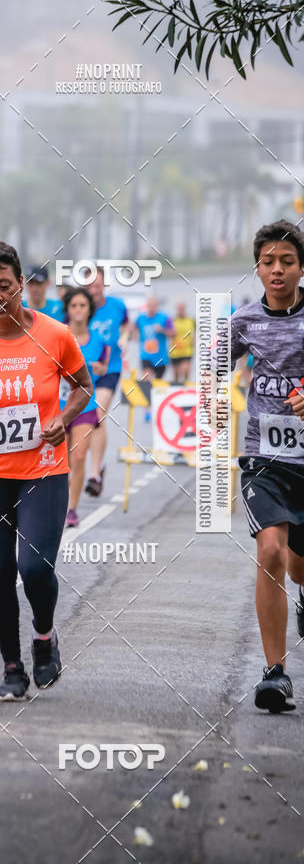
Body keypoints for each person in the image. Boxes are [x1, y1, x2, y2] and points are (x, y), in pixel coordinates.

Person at [0, 240, 92, 701]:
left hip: (43, 470)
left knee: (35, 567)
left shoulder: (54, 334)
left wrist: (62, 420)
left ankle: (44, 637)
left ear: (21, 284)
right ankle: (12, 667)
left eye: (4, 286)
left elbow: (84, 387)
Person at [231, 220, 304, 713]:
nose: (276, 271)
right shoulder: (242, 322)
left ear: (301, 267)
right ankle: (275, 672)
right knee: (271, 551)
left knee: (299, 564)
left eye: (287, 262)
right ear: (257, 268)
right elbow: (210, 372)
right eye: (268, 262)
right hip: (264, 458)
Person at [59, 287, 109, 527]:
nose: (78, 310)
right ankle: (56, 504)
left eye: (83, 305)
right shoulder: (59, 337)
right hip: (58, 407)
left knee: (78, 457)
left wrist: (100, 370)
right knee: (62, 463)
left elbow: (105, 369)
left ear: (90, 310)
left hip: (86, 407)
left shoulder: (99, 342)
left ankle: (71, 509)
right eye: (74, 305)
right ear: (67, 310)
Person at [84, 268, 129, 497]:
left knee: (97, 415)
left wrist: (125, 338)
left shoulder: (117, 306)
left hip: (110, 369)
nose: (94, 290)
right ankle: (92, 465)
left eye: (98, 285)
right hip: (84, 372)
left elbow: (127, 325)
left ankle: (95, 473)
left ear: (104, 285)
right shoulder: (81, 308)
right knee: (82, 422)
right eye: (90, 286)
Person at [135, 296, 175, 380]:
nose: (151, 308)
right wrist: (135, 336)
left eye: (153, 306)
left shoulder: (164, 317)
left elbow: (173, 334)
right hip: (146, 355)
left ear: (157, 306)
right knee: (147, 377)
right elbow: (133, 330)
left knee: (157, 383)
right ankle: (147, 392)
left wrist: (162, 330)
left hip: (161, 357)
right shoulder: (140, 318)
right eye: (149, 305)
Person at [170, 301, 196, 383]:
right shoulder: (172, 320)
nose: (181, 310)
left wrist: (194, 339)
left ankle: (186, 386)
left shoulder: (191, 320)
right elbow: (168, 333)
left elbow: (196, 331)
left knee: (185, 370)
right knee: (176, 375)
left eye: (182, 308)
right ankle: (176, 387)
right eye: (179, 309)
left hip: (187, 350)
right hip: (175, 351)